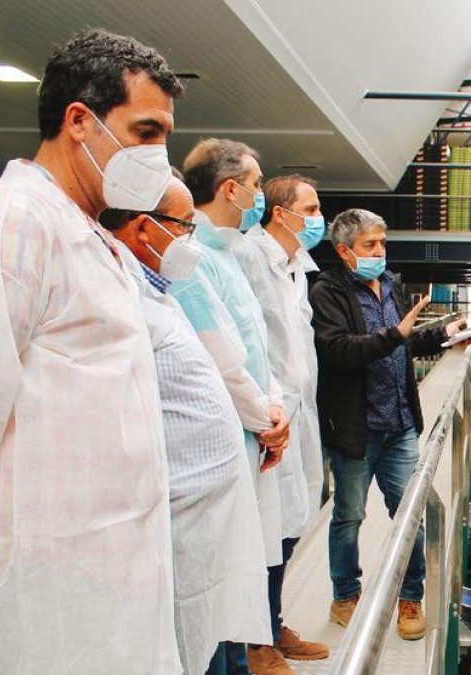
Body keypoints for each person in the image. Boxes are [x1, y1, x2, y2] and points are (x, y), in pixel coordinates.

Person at [0, 29, 185, 673]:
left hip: (113, 565)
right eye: (146, 132)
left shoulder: (84, 231)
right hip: (51, 576)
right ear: (80, 120)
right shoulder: (6, 221)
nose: (160, 156)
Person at [100, 177, 273, 674]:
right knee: (188, 650)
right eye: (183, 227)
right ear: (142, 229)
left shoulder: (161, 294)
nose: (190, 241)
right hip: (174, 524)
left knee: (214, 639)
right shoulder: (124, 299)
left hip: (207, 522)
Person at [311, 208, 468, 640]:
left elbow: (402, 344)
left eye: (382, 243)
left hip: (399, 424)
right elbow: (339, 350)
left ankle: (410, 597)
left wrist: (442, 334)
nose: (380, 252)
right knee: (349, 516)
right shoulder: (327, 292)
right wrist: (396, 335)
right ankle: (345, 595)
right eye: (369, 246)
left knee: (410, 514)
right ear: (344, 251)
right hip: (356, 429)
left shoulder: (391, 285)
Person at [180, 138, 297, 674]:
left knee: (244, 570)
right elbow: (220, 358)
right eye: (255, 185)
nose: (258, 195)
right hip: (226, 441)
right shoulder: (195, 260)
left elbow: (258, 349)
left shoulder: (227, 255)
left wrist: (272, 409)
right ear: (231, 188)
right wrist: (265, 420)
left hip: (256, 434)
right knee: (222, 581)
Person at [232, 174, 332, 663]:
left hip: (299, 414)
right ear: (280, 212)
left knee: (291, 527)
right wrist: (263, 407)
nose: (318, 219)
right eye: (310, 210)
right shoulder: (250, 257)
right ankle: (256, 642)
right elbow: (246, 342)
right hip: (267, 418)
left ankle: (272, 625)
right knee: (266, 534)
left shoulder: (297, 266)